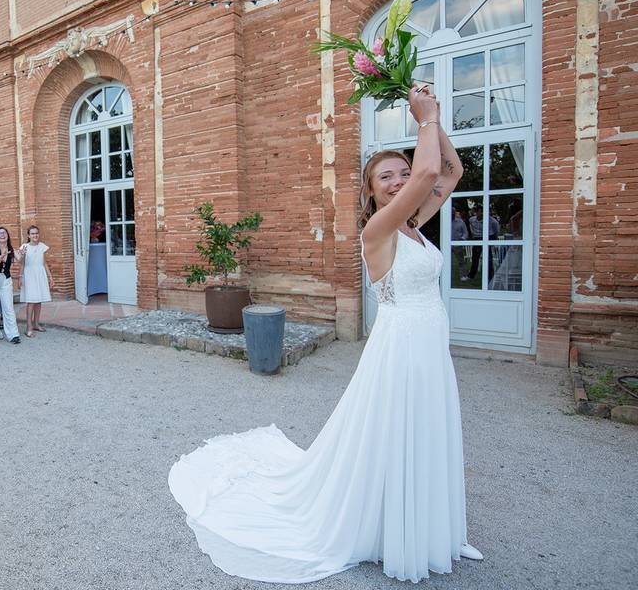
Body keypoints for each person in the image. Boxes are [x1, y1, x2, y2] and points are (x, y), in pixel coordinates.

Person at [168, 86, 483, 584]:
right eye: (387, 177)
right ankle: (388, 527)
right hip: (401, 348)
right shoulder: (378, 231)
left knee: (423, 427)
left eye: (403, 172)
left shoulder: (416, 224)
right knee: (394, 430)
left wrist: (435, 123)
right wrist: (426, 117)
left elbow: (451, 171)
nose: (401, 181)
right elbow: (429, 172)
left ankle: (418, 524)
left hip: (428, 344)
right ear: (372, 193)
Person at [0, 226, 21, 344]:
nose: (2, 235)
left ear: (7, 235)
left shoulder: (11, 249)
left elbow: (20, 259)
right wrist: (2, 256)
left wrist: (23, 253)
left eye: (4, 233)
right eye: (0, 233)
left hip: (6, 279)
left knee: (8, 306)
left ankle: (13, 334)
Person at [19, 225, 53, 338]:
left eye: (36, 233)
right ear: (28, 235)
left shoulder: (42, 246)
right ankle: (28, 327)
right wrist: (20, 277)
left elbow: (44, 263)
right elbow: (22, 263)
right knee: (31, 301)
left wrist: (50, 277)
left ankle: (36, 324)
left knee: (39, 301)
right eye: (32, 233)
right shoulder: (24, 246)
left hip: (40, 274)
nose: (35, 235)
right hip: (29, 274)